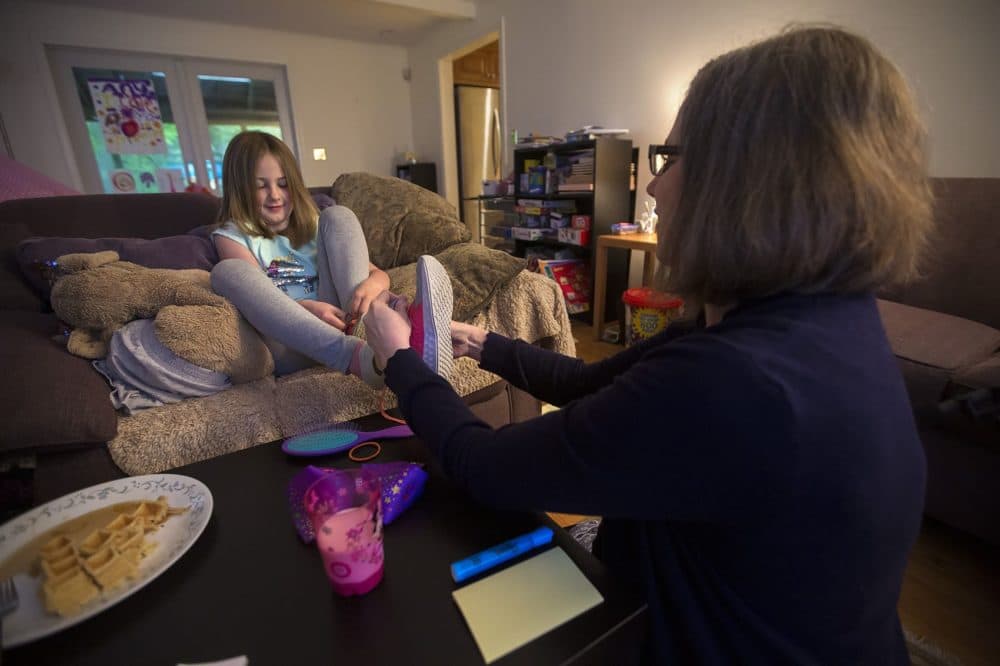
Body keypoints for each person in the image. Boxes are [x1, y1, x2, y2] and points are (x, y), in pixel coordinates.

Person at [364, 26, 932, 664]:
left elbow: (488, 468)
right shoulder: (821, 318)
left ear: (746, 183)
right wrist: (487, 345)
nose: (655, 187)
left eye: (674, 157)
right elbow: (587, 387)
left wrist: (402, 363)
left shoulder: (733, 383)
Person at [210, 131, 453, 387]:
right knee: (227, 271)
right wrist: (307, 308)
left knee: (339, 216)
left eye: (283, 184)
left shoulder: (315, 225)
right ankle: (357, 357)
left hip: (345, 320)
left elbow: (379, 274)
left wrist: (370, 287)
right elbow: (257, 299)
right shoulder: (232, 235)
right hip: (291, 341)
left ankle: (382, 336)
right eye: (261, 186)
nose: (275, 195)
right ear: (240, 190)